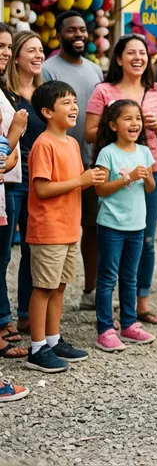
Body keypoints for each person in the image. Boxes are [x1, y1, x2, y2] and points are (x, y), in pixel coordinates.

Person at [85, 35, 157, 325]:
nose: (138, 58)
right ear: (119, 58)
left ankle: (140, 303)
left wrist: (155, 125)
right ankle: (106, 306)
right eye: (131, 53)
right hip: (112, 172)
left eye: (142, 53)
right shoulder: (104, 90)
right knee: (111, 235)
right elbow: (89, 133)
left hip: (151, 170)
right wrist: (119, 128)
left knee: (145, 239)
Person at [25, 81, 105, 372]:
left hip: (69, 228)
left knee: (59, 287)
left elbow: (73, 182)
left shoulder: (71, 143)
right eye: (66, 102)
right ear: (47, 112)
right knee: (43, 288)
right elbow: (42, 189)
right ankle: (36, 348)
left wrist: (90, 179)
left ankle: (53, 339)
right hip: (48, 229)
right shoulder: (44, 144)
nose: (74, 107)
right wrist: (82, 180)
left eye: (74, 101)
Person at [41, 12, 104, 311]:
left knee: (91, 228)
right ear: (59, 35)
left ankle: (90, 292)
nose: (78, 34)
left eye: (82, 29)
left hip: (90, 163)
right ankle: (44, 300)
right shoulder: (48, 69)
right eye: (71, 30)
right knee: (56, 235)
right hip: (58, 167)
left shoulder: (95, 70)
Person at [93, 100, 156, 352]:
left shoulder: (144, 152)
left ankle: (129, 324)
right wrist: (128, 177)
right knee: (108, 278)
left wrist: (147, 177)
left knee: (130, 277)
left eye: (137, 118)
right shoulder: (107, 153)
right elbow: (101, 189)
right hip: (111, 225)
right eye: (127, 118)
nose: (134, 123)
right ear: (113, 125)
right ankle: (105, 329)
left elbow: (150, 188)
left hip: (136, 226)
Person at [4, 32, 47, 335]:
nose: (38, 55)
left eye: (41, 50)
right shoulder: (5, 95)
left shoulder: (45, 95)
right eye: (31, 50)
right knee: (4, 251)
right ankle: (3, 320)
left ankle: (25, 314)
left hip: (40, 176)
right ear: (17, 57)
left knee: (33, 249)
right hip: (13, 175)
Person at [0, 23, 30, 356]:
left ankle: (4, 318)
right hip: (5, 181)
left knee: (4, 255)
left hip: (8, 182)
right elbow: (1, 152)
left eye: (8, 46)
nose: (5, 52)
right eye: (1, 46)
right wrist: (16, 131)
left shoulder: (5, 89)